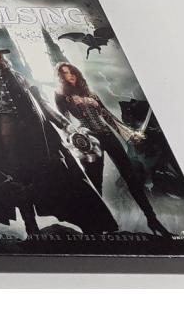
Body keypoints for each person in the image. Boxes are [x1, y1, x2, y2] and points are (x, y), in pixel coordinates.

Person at [0, 37, 115, 237]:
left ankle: (89, 221)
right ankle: (31, 229)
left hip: (33, 130)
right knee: (15, 178)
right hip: (3, 132)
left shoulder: (17, 75)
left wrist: (65, 125)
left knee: (54, 169)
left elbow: (41, 103)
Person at [54, 62, 171, 236]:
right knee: (95, 182)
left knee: (131, 177)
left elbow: (108, 117)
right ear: (60, 77)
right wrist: (77, 137)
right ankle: (96, 225)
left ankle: (152, 220)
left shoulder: (90, 93)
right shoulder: (61, 96)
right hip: (90, 141)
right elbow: (64, 123)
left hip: (108, 136)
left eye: (72, 72)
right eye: (64, 73)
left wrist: (128, 134)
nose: (70, 75)